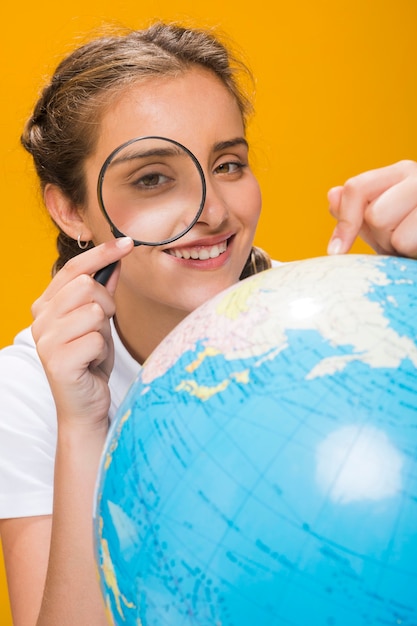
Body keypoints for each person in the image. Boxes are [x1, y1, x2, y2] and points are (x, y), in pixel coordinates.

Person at [1, 20, 417, 626]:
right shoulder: (31, 387)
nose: (214, 212)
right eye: (153, 178)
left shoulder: (354, 333)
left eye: (227, 164)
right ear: (70, 209)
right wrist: (83, 425)